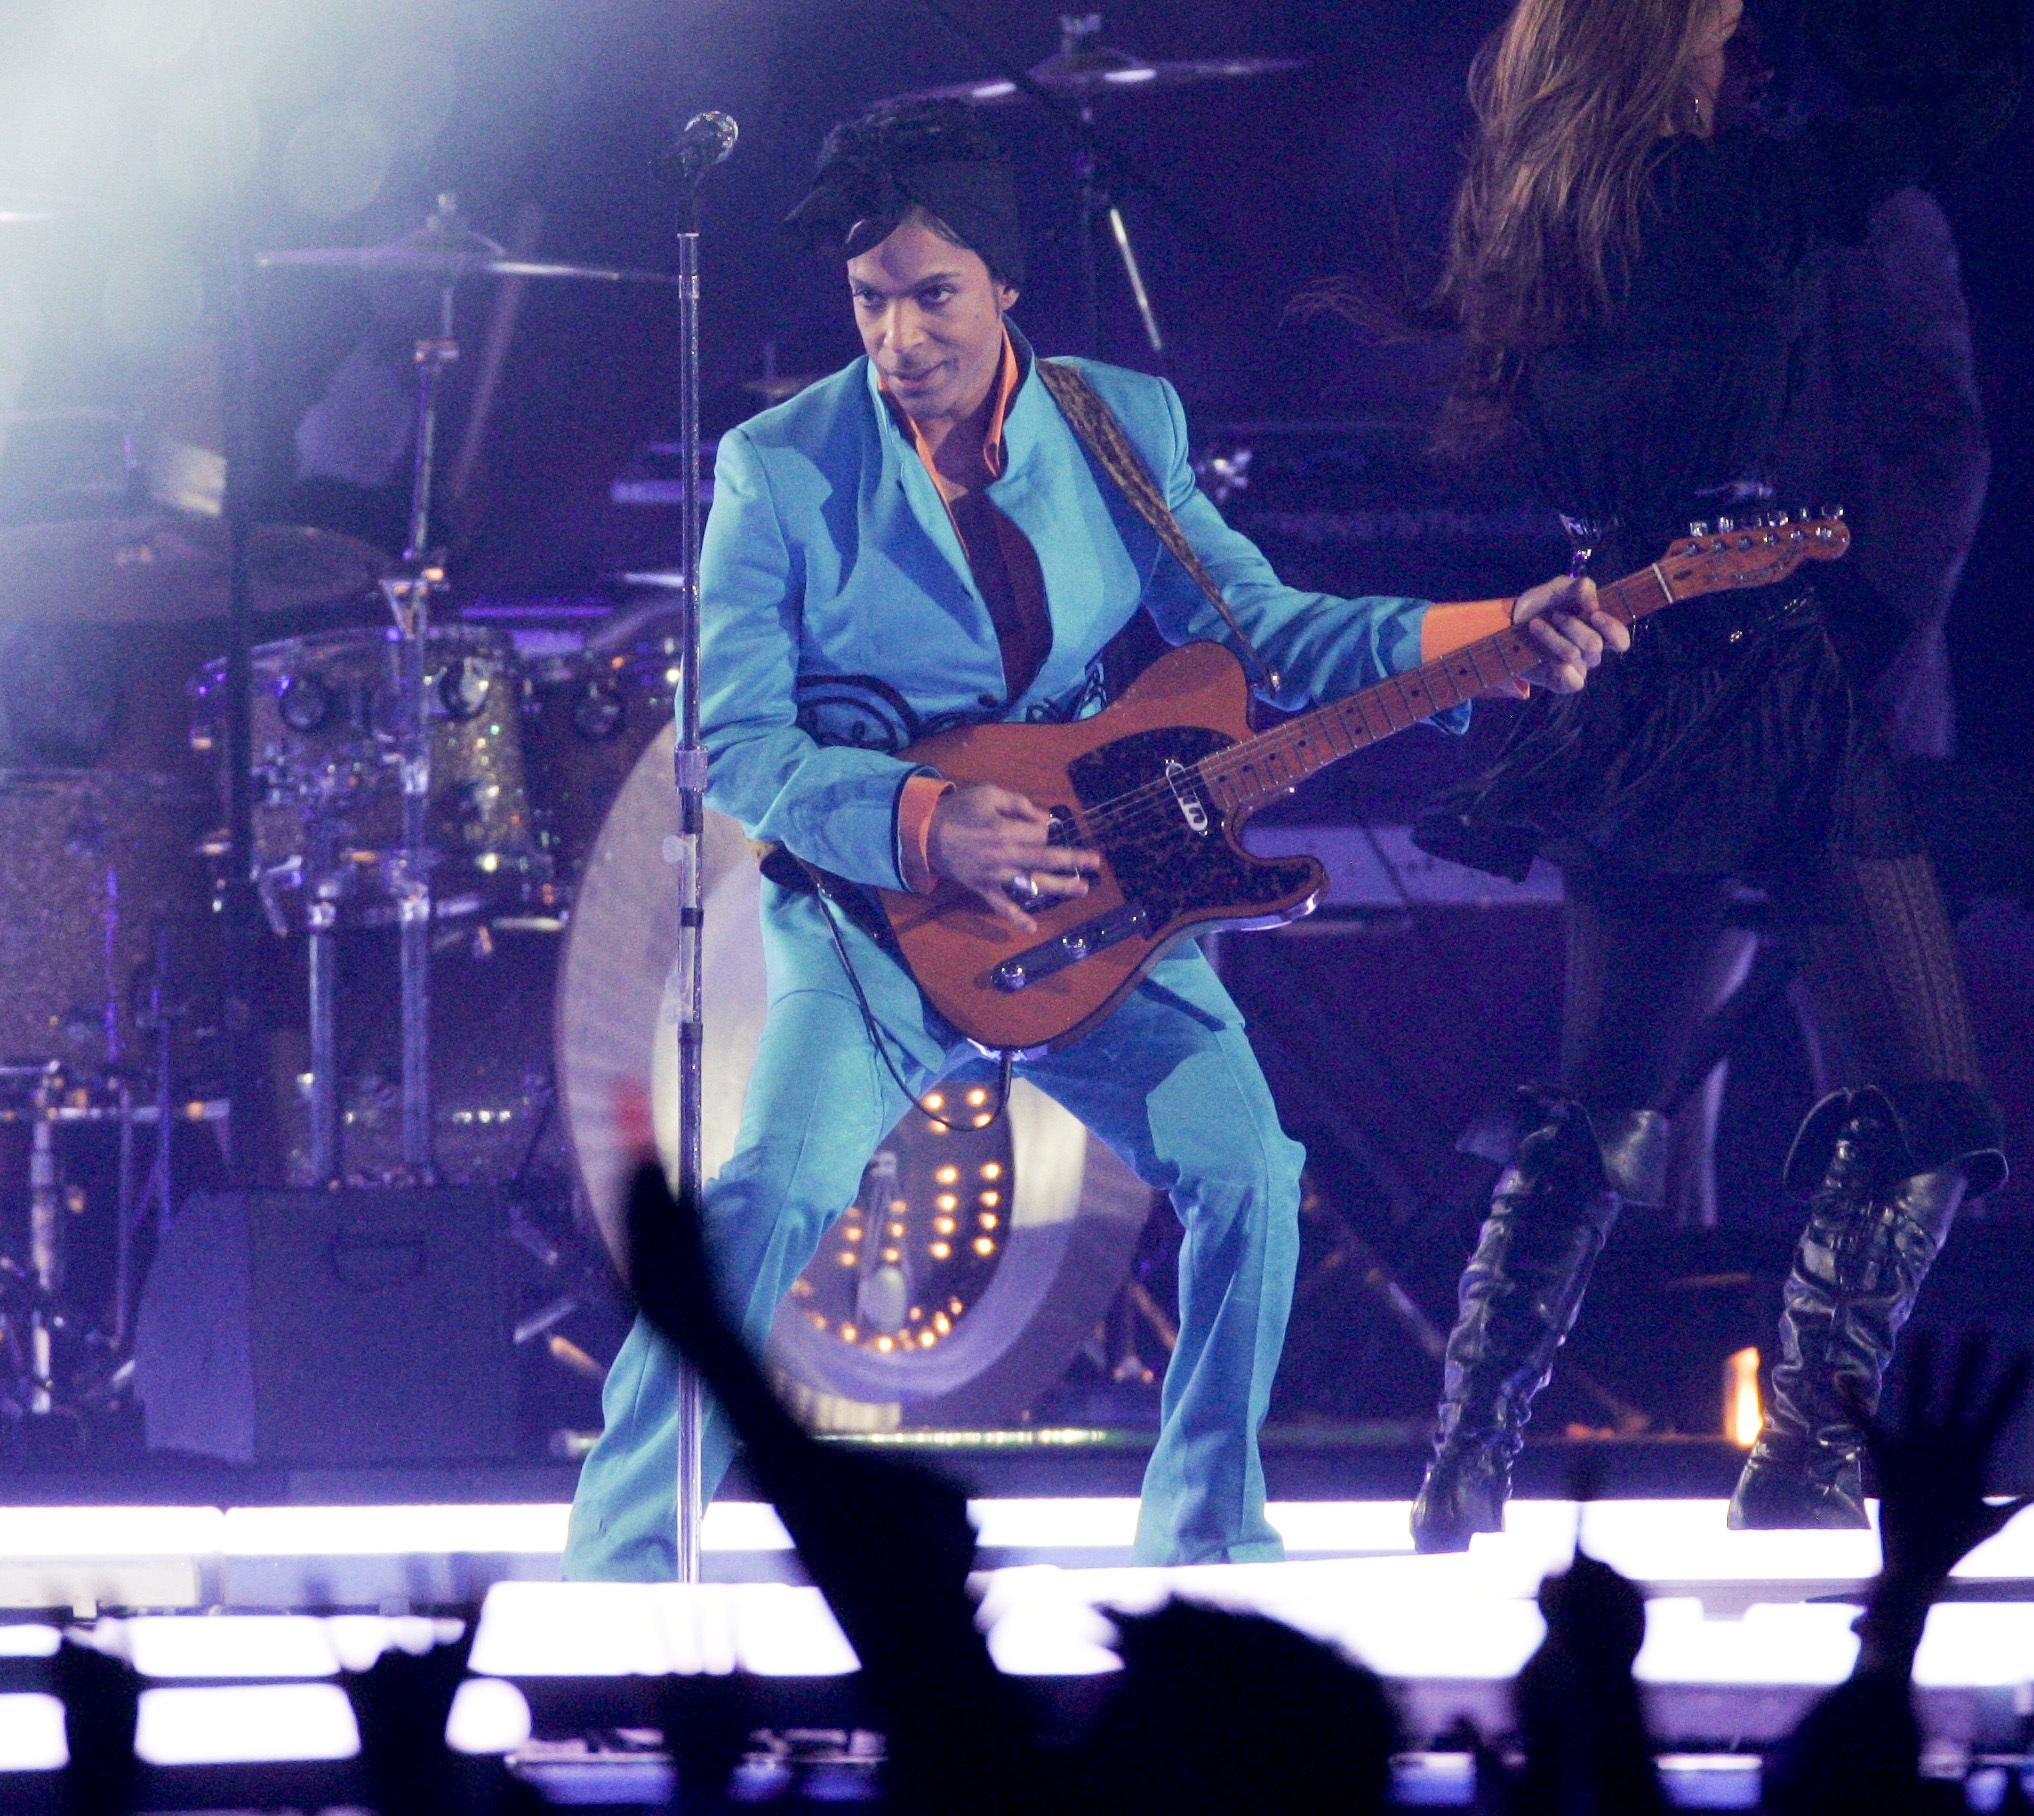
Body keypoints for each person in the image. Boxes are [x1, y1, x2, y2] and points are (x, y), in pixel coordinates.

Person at [563, 98, 1623, 1578]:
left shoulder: (1117, 423)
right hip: (876, 925)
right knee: (766, 1198)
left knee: (1247, 1172)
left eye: (933, 295)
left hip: (1102, 895)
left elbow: (1262, 629)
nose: (900, 337)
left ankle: (1204, 1548)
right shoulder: (779, 467)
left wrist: (1487, 634)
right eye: (870, 302)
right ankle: (617, 1565)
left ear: (1004, 286)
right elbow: (734, 738)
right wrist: (927, 823)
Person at [1403, 0, 2020, 1549]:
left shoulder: (1545, 216)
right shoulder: (1787, 197)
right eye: (1723, 31)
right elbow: (1931, 446)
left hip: (1655, 681)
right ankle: (1803, 1459)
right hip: (1801, 689)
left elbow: (1925, 446)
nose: (1747, 56)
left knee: (1613, 1078)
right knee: (1907, 1087)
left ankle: (1463, 1456)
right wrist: (1860, 639)